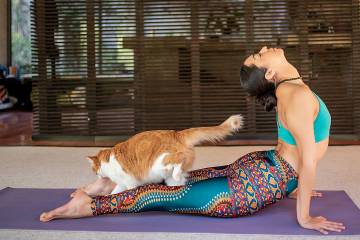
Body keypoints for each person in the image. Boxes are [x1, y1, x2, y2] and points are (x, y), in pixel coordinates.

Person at [39, 46, 345, 235]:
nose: (264, 48)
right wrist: (303, 216)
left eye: (257, 53)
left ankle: (101, 189)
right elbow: (305, 158)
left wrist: (290, 185)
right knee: (163, 194)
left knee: (168, 189)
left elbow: (296, 148)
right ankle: (87, 205)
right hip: (255, 180)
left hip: (263, 173)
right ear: (270, 73)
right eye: (259, 54)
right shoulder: (296, 93)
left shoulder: (291, 90)